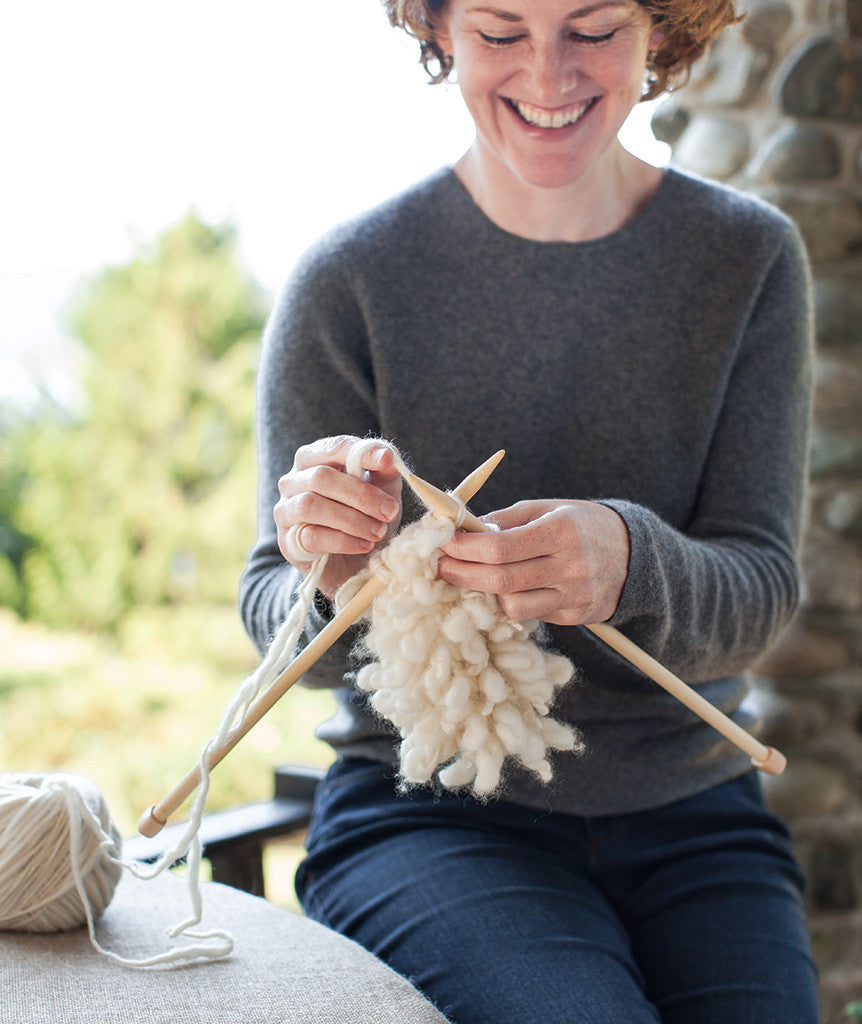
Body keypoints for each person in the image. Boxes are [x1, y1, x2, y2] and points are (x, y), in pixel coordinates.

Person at [239, 0, 821, 1020]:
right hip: (428, 812)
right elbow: (274, 619)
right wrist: (335, 572)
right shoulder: (349, 282)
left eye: (592, 28)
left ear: (661, 31)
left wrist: (634, 563)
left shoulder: (749, 260)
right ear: (439, 34)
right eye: (502, 32)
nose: (549, 77)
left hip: (693, 811)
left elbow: (761, 592)